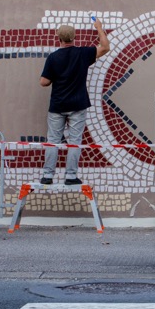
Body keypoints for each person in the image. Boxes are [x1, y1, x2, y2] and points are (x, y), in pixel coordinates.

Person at [39, 18, 109, 185]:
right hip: (78, 104)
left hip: (58, 105)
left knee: (53, 141)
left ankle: (47, 176)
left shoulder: (53, 58)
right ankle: (71, 176)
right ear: (74, 37)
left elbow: (43, 82)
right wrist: (99, 28)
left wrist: (55, 76)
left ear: (59, 38)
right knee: (75, 141)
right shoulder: (83, 53)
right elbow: (105, 47)